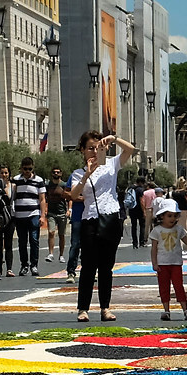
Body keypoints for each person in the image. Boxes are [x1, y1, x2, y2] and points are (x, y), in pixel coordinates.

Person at [72, 129, 136, 322]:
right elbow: (74, 195)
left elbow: (130, 150)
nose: (94, 152)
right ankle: (83, 309)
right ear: (82, 150)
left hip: (111, 219)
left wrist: (114, 139)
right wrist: (87, 175)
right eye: (90, 148)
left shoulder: (111, 165)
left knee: (106, 267)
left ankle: (105, 308)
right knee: (88, 267)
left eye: (98, 147)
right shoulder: (78, 173)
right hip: (90, 219)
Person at [149, 197, 187, 320]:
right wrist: (154, 263)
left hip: (176, 263)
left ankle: (185, 310)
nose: (172, 219)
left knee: (179, 286)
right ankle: (166, 310)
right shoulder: (156, 231)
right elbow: (154, 248)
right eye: (169, 216)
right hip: (162, 264)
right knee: (164, 287)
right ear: (162, 216)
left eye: (175, 216)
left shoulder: (179, 229)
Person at [10, 157, 46, 276]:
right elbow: (12, 196)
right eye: (25, 169)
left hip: (34, 215)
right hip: (19, 216)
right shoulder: (16, 180)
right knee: (22, 241)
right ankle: (24, 265)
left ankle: (34, 265)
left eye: (29, 169)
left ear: (33, 168)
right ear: (21, 168)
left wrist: (43, 215)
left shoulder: (39, 180)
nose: (27, 171)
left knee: (34, 240)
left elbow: (42, 199)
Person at [44, 167, 70, 261]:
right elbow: (44, 197)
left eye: (58, 172)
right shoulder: (48, 185)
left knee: (61, 234)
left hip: (62, 213)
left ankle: (61, 255)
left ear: (61, 174)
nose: (56, 173)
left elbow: (69, 197)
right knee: (51, 232)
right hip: (51, 213)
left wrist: (69, 210)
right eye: (54, 172)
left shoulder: (64, 185)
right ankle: (50, 253)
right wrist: (45, 209)